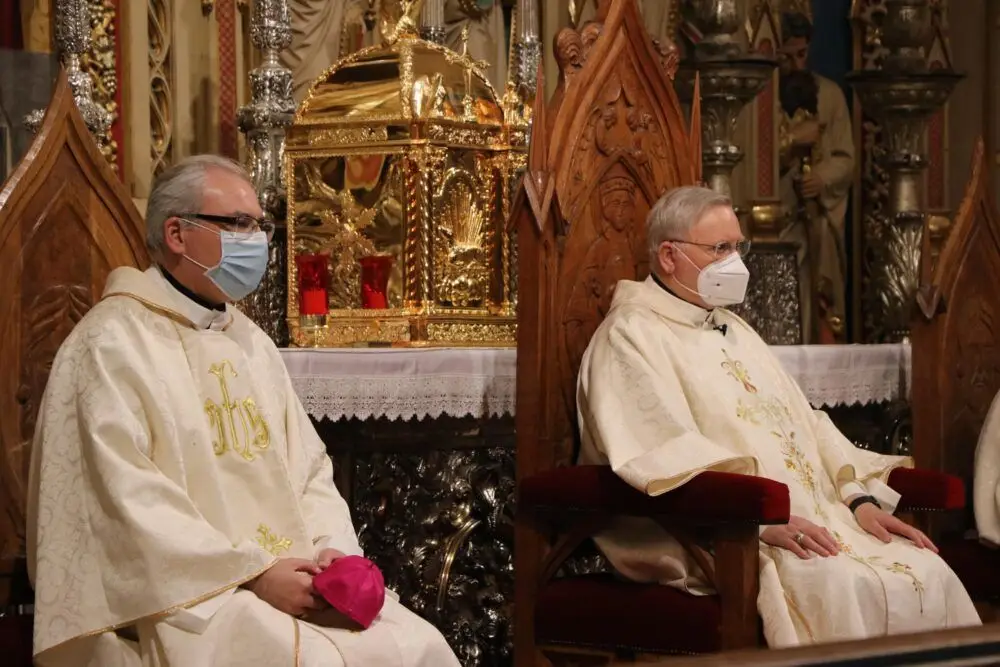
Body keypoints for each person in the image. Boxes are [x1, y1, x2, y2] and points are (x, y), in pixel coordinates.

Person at [26, 155, 461, 667]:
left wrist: (330, 552)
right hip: (187, 598)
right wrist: (253, 575)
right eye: (237, 224)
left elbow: (309, 471)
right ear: (176, 234)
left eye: (259, 226)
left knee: (422, 646)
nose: (256, 241)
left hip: (295, 575)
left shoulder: (250, 342)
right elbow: (125, 501)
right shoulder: (110, 344)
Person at [577, 186, 980, 647]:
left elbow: (805, 423)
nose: (735, 262)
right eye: (720, 248)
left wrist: (858, 501)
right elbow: (657, 452)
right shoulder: (631, 335)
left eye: (738, 246)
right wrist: (759, 522)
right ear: (669, 256)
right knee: (841, 585)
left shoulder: (732, 327)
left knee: (929, 571)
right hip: (720, 534)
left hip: (815, 520)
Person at [777, 12, 853, 344]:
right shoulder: (763, 96)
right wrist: (792, 141)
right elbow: (754, 155)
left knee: (820, 295)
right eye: (787, 57)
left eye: (802, 54)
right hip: (777, 219)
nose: (797, 65)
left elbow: (845, 158)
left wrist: (821, 178)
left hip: (819, 218)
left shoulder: (830, 95)